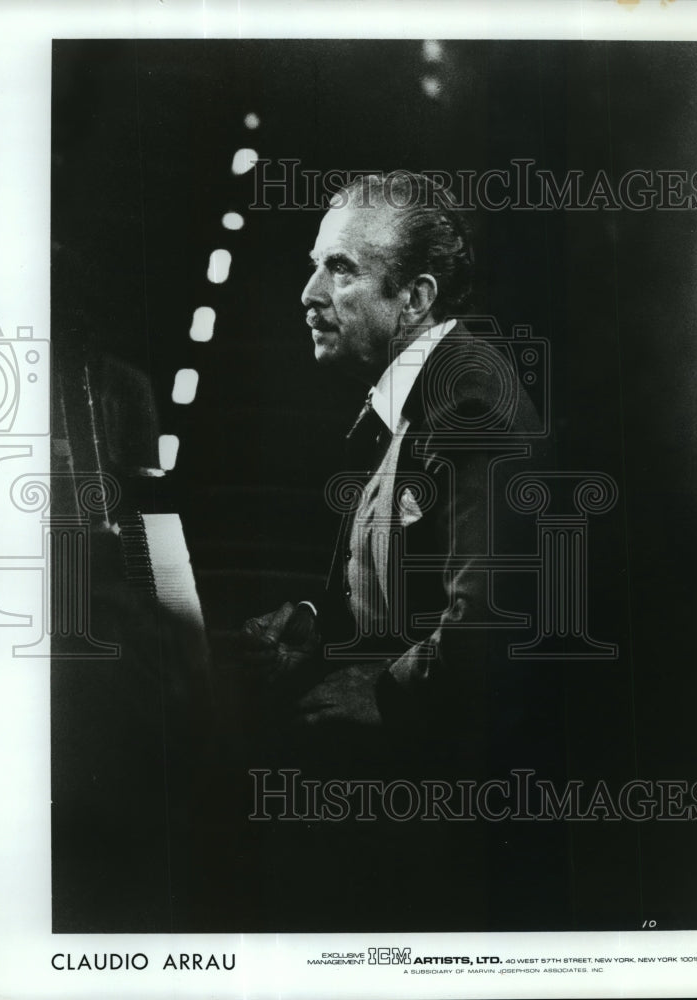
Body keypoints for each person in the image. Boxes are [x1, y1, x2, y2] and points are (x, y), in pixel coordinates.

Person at [235, 171, 549, 765]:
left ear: (415, 298)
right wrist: (315, 627)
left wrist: (382, 690)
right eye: (315, 263)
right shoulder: (420, 391)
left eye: (341, 267)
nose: (309, 292)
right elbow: (404, 589)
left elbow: (493, 620)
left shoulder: (470, 400)